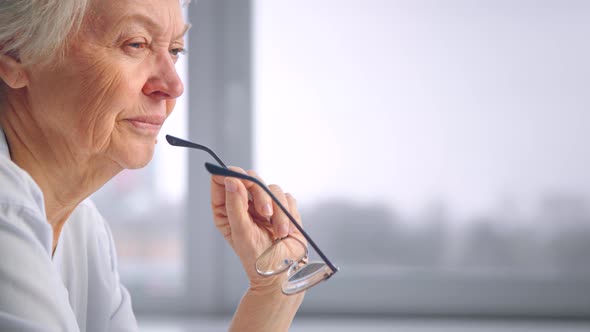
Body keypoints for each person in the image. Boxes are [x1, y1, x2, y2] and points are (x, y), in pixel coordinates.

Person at [0, 0, 305, 331]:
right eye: (136, 44)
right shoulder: (7, 214)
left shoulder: (82, 228)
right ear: (17, 52)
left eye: (175, 51)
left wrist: (273, 292)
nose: (173, 86)